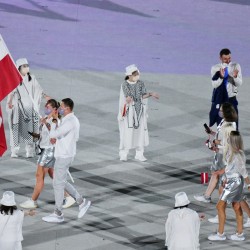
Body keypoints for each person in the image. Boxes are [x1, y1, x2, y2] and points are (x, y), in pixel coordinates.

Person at [19, 99, 75, 209]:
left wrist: (47, 125)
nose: (46, 108)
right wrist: (33, 134)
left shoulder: (56, 121)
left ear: (55, 109)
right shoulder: (45, 119)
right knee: (53, 174)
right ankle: (69, 197)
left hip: (49, 151)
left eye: (48, 107)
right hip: (45, 149)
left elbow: (55, 135)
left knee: (39, 175)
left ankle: (33, 201)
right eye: (45, 106)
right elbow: (42, 136)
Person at [42, 98, 91, 223]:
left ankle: (58, 213)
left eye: (61, 107)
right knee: (60, 182)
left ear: (67, 108)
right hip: (64, 154)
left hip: (64, 156)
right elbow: (58, 135)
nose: (59, 109)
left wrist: (53, 121)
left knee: (57, 183)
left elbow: (54, 134)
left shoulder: (70, 121)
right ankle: (81, 201)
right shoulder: (69, 120)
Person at [208, 131, 250, 241]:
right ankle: (239, 234)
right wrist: (223, 176)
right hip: (233, 181)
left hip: (234, 183)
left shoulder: (237, 155)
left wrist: (249, 184)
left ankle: (220, 234)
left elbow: (244, 172)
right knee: (236, 206)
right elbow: (229, 167)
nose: (227, 140)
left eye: (229, 139)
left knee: (220, 206)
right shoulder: (233, 151)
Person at [6, 58, 50, 158]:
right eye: (24, 66)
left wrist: (45, 95)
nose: (26, 68)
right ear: (19, 68)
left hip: (30, 108)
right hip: (18, 108)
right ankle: (14, 150)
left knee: (30, 130)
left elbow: (38, 89)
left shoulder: (32, 78)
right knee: (16, 129)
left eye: (27, 66)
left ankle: (29, 150)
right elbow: (11, 92)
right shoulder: (14, 78)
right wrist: (9, 102)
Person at [194, 102, 237, 203]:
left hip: (223, 155)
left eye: (221, 111)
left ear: (226, 112)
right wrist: (212, 133)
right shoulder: (225, 121)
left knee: (221, 178)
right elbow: (220, 136)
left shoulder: (229, 126)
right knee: (215, 174)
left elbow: (228, 143)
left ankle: (223, 201)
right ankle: (207, 196)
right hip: (220, 153)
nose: (219, 112)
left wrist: (214, 143)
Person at [118, 64, 159, 162]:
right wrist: (128, 99)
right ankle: (124, 153)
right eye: (135, 74)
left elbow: (143, 96)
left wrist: (150, 94)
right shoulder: (125, 84)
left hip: (139, 111)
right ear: (129, 75)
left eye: (138, 74)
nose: (137, 76)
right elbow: (127, 97)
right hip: (129, 113)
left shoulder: (140, 83)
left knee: (140, 132)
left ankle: (139, 154)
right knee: (127, 132)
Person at [209, 48, 242, 129]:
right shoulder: (215, 68)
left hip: (232, 99)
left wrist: (234, 77)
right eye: (225, 59)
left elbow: (239, 83)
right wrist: (221, 77)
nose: (228, 61)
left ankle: (233, 141)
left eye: (229, 58)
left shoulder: (236, 66)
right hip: (221, 100)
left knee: (234, 125)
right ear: (220, 58)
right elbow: (214, 85)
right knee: (221, 126)